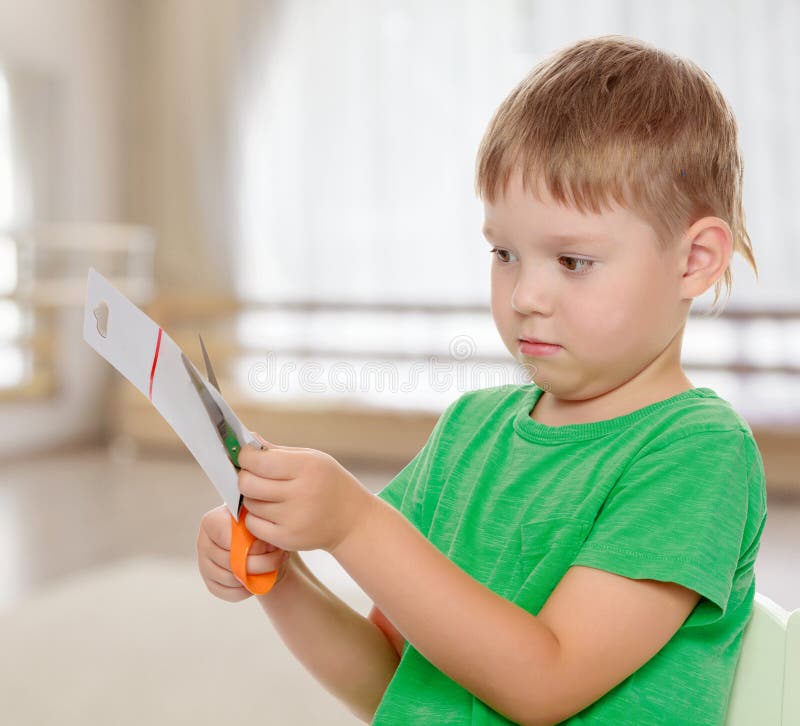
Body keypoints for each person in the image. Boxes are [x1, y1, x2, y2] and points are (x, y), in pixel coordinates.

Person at [196, 34, 767, 725]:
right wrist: (281, 579)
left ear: (695, 260)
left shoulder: (697, 452)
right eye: (505, 252)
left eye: (573, 261)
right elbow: (387, 679)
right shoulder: (471, 428)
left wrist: (351, 524)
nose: (525, 293)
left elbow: (545, 683)